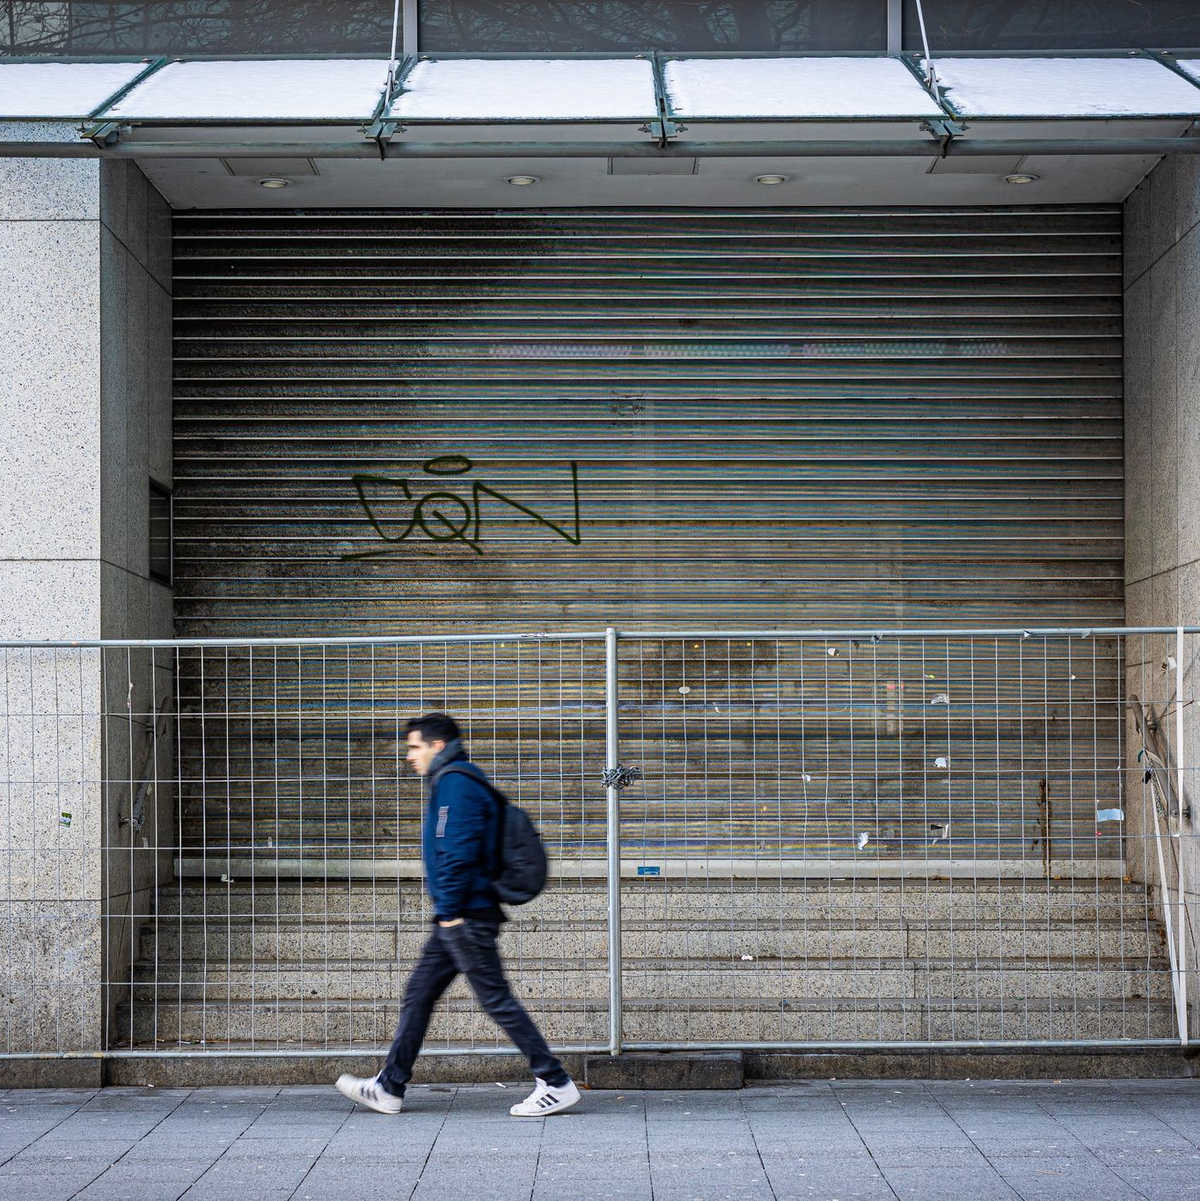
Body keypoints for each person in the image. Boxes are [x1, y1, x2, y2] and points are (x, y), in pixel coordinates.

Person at [335, 712, 581, 1118]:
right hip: (459, 912)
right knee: (419, 994)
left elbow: (457, 850)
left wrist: (449, 913)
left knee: (496, 999)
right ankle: (389, 1086)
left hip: (465, 914)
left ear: (437, 746)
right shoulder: (453, 780)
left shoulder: (455, 783)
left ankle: (555, 1081)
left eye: (414, 747)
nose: (408, 756)